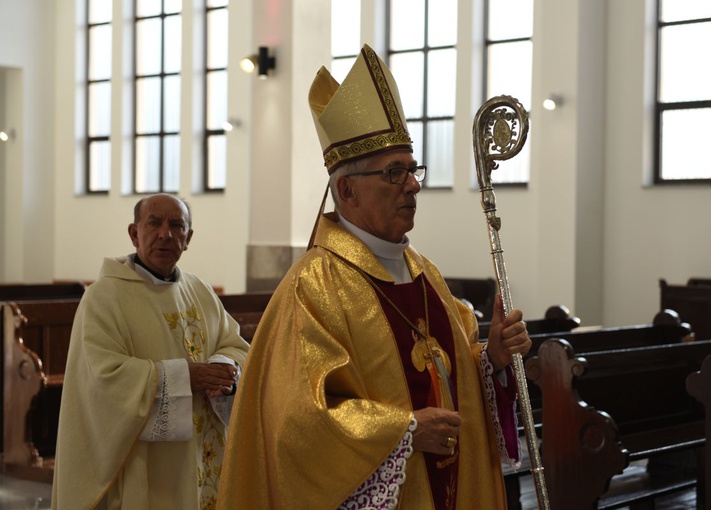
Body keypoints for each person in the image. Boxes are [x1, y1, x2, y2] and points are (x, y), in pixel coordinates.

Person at [217, 44, 532, 509]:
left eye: (412, 169)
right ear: (346, 189)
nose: (413, 185)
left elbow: (446, 370)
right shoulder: (312, 288)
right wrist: (403, 433)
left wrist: (492, 360)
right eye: (393, 172)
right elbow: (298, 425)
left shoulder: (425, 274)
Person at [52, 193, 250, 510]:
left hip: (201, 453)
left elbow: (233, 342)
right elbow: (104, 377)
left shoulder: (199, 290)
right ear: (134, 233)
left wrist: (223, 368)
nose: (165, 235)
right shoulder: (104, 297)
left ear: (188, 238)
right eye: (154, 223)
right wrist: (185, 377)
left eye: (177, 225)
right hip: (143, 461)